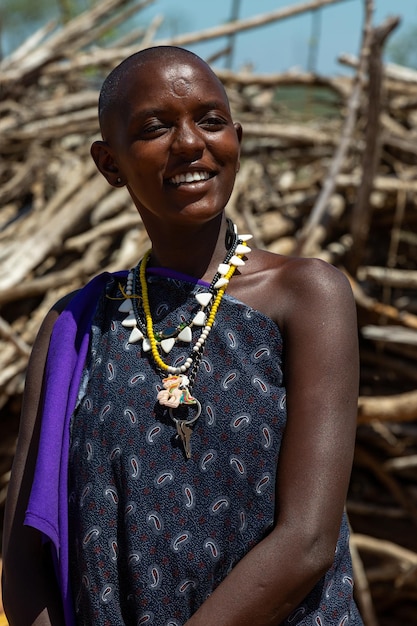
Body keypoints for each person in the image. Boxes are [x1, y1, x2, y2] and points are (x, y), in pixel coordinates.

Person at [2, 45, 363, 626]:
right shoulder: (76, 325)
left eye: (211, 121)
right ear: (109, 163)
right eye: (154, 128)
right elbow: (24, 559)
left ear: (236, 139)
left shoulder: (308, 297)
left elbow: (307, 541)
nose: (191, 143)